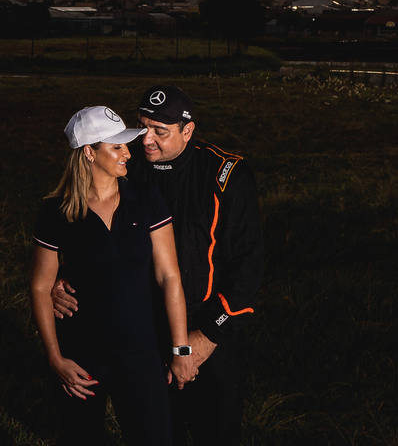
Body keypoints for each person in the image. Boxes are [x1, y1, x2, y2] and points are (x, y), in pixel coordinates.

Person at [52, 86, 264, 446]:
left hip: (208, 326)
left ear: (188, 131)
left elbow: (248, 267)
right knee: (159, 432)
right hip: (145, 329)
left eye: (160, 132)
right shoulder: (127, 169)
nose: (146, 140)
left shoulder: (225, 175)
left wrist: (209, 335)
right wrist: (61, 276)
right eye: (141, 126)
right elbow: (81, 222)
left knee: (217, 431)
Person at [30, 106, 196, 446]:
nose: (127, 153)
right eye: (117, 147)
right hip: (82, 357)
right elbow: (39, 286)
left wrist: (180, 350)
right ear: (90, 152)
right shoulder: (56, 211)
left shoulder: (146, 198)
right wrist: (55, 358)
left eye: (126, 145)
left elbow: (169, 276)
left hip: (141, 354)